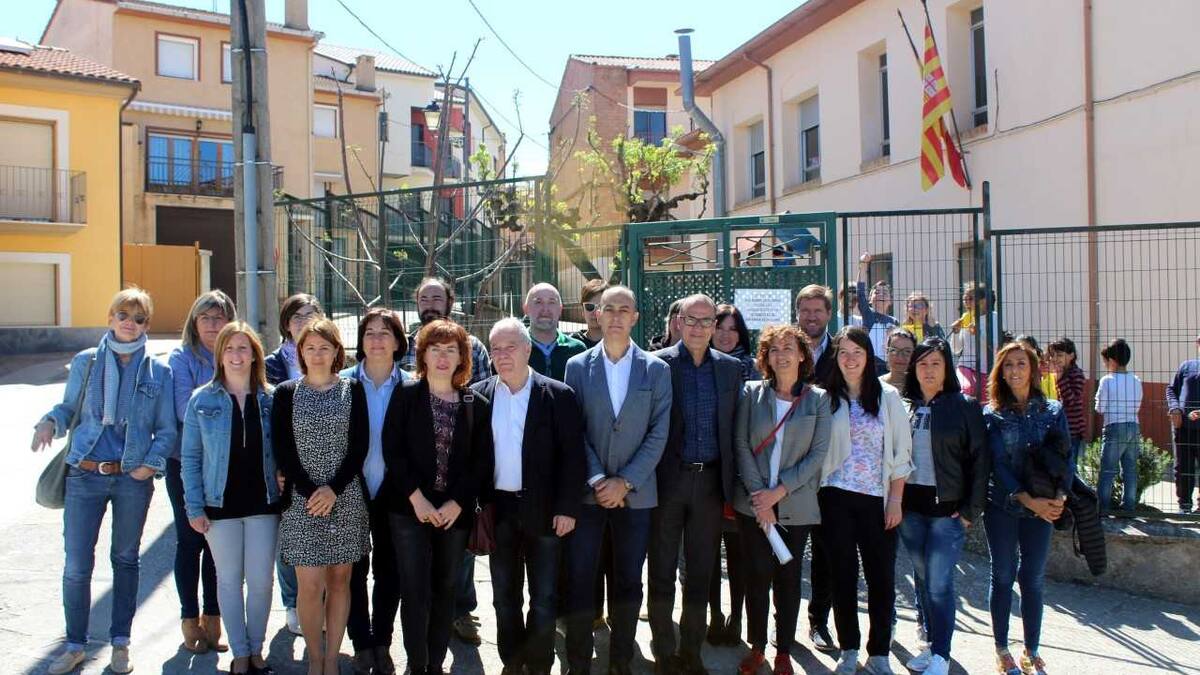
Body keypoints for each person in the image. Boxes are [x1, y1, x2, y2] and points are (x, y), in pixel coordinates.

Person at [32, 288, 176, 675]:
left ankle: (120, 643)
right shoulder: (87, 362)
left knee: (125, 560)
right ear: (110, 317)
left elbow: (166, 430)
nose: (130, 323)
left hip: (131, 478)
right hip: (85, 473)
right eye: (123, 314)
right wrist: (49, 422)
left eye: (139, 318)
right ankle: (74, 645)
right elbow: (68, 407)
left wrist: (149, 465)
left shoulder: (158, 372)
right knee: (77, 564)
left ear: (147, 325)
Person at [563, 285, 672, 675]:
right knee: (580, 579)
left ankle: (621, 660)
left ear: (635, 318)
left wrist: (624, 481)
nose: (615, 316)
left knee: (628, 582)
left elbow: (659, 432)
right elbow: (575, 429)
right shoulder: (577, 366)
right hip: (588, 495)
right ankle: (578, 661)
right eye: (608, 309)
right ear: (597, 314)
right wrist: (598, 479)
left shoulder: (656, 369)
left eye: (624, 310)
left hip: (636, 497)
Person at [382, 320, 493, 675]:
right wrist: (417, 500)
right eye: (435, 349)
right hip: (409, 509)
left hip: (454, 513)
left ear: (462, 357)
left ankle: (435, 663)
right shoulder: (406, 395)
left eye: (451, 350)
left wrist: (456, 503)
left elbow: (481, 462)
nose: (443, 357)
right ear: (423, 355)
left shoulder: (476, 403)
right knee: (414, 590)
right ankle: (417, 664)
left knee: (446, 588)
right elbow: (393, 450)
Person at [474, 318, 585, 675]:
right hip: (499, 511)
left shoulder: (558, 395)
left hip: (546, 509)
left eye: (510, 347)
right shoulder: (478, 395)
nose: (503, 355)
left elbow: (573, 458)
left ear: (527, 349)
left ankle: (539, 664)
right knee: (504, 597)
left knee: (544, 597)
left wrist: (568, 508)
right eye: (496, 349)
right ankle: (512, 660)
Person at [648, 294, 743, 674]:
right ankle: (664, 653)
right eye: (692, 319)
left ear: (715, 326)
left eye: (707, 321)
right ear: (679, 322)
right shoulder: (658, 364)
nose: (700, 327)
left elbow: (736, 428)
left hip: (710, 484)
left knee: (701, 574)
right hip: (668, 482)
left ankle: (691, 652)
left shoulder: (730, 369)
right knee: (661, 571)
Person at [180, 321, 279, 675]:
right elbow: (190, 457)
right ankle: (239, 652)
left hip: (263, 505)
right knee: (228, 580)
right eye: (229, 348)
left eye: (243, 348)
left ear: (254, 355)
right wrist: (194, 507)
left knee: (262, 581)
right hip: (219, 506)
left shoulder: (271, 399)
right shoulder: (201, 400)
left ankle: (256, 648)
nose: (236, 356)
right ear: (220, 356)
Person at [273, 319, 371, 675]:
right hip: (303, 503)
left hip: (345, 499)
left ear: (336, 352)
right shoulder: (286, 393)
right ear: (300, 351)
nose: (317, 354)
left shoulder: (352, 389)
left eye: (324, 348)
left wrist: (333, 489)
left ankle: (332, 660)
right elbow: (283, 449)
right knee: (310, 585)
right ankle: (315, 660)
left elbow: (359, 446)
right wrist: (312, 491)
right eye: (310, 347)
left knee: (340, 582)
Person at [732, 324, 830, 675]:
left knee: (788, 579)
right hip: (753, 504)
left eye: (789, 348)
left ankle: (784, 650)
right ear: (766, 357)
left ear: (802, 355)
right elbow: (741, 444)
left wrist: (779, 492)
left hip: (794, 505)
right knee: (756, 576)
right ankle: (757, 646)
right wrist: (761, 496)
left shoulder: (818, 400)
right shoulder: (751, 393)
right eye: (774, 349)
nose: (782, 355)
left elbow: (817, 455)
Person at [818, 326, 912, 675]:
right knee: (842, 576)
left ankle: (879, 654)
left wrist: (896, 500)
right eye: (843, 352)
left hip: (877, 499)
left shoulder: (888, 397)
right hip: (834, 498)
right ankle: (849, 649)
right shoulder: (824, 397)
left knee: (881, 579)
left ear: (868, 356)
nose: (850, 359)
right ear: (836, 357)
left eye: (857, 352)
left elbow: (902, 453)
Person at [898, 338, 989, 675]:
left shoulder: (964, 406)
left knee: (939, 583)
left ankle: (941, 655)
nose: (929, 370)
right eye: (922, 363)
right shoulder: (904, 405)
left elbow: (981, 461)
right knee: (923, 580)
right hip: (910, 510)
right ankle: (931, 644)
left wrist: (969, 511)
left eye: (936, 363)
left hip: (947, 513)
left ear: (947, 367)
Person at [983, 340, 1072, 675]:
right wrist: (1027, 499)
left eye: (1021, 363)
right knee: (1003, 575)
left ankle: (1031, 650)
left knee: (1032, 578)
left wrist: (1060, 496)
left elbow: (1066, 456)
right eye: (1008, 365)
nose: (1015, 370)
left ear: (1033, 369)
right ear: (1000, 372)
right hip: (1003, 506)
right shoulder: (991, 414)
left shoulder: (1053, 410)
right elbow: (997, 464)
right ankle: (1002, 649)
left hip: (1043, 508)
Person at [166, 290, 236, 654]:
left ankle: (213, 616)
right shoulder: (181, 358)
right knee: (190, 540)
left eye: (218, 317)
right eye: (205, 317)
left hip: (226, 465)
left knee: (217, 546)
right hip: (185, 463)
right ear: (194, 323)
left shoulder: (235, 352)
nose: (211, 324)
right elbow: (183, 410)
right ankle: (189, 617)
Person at [340, 309, 409, 675]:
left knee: (389, 569)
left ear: (398, 341)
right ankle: (361, 643)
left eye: (385, 332)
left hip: (395, 492)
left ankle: (382, 641)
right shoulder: (342, 384)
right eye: (369, 332)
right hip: (352, 489)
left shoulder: (412, 386)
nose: (377, 340)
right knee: (353, 570)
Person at [264, 293, 323, 634]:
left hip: (325, 463)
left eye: (310, 314)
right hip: (287, 465)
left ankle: (319, 601)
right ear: (286, 323)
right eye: (296, 316)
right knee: (289, 538)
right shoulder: (271, 364)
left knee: (323, 535)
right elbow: (271, 420)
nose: (303, 321)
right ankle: (293, 602)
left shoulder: (330, 356)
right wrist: (280, 466)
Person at [793, 283, 836, 651]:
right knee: (786, 553)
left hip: (829, 468)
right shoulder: (785, 348)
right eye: (805, 310)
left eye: (817, 310)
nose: (811, 317)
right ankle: (782, 624)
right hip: (789, 466)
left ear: (828, 314)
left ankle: (819, 622)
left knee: (826, 552)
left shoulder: (843, 352)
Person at [1094, 338, 1143, 515]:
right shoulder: (1136, 380)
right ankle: (1128, 508)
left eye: (1105, 361)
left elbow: (1100, 408)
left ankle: (1103, 508)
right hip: (1133, 425)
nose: (1105, 365)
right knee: (1130, 470)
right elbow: (1138, 404)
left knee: (1107, 470)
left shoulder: (1107, 380)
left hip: (1114, 425)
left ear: (1112, 361)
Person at [525, 283, 588, 380]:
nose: (545, 309)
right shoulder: (515, 349)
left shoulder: (577, 350)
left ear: (560, 309)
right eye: (538, 302)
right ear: (526, 309)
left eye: (551, 302)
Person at [1167, 333, 1200, 513]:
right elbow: (1171, 390)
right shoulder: (1187, 366)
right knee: (1182, 469)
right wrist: (1175, 409)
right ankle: (1184, 506)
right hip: (1184, 428)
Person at [949, 282, 998, 399]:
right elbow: (956, 350)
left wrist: (979, 334)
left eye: (970, 299)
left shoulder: (994, 318)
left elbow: (995, 345)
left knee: (985, 401)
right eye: (964, 299)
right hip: (965, 365)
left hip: (987, 369)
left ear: (983, 301)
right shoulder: (966, 318)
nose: (966, 303)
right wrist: (956, 333)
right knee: (966, 389)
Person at [856, 253, 899, 373]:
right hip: (871, 366)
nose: (880, 295)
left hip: (888, 367)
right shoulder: (868, 314)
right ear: (870, 299)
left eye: (885, 292)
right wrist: (863, 265)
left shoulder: (894, 321)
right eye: (876, 292)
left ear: (890, 301)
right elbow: (860, 292)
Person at [1047, 338, 1087, 467]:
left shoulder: (1076, 374)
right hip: (1060, 428)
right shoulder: (1060, 374)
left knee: (1070, 466)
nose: (1055, 359)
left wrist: (1060, 380)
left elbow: (1071, 401)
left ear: (1071, 356)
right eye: (1053, 355)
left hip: (1072, 430)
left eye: (1059, 355)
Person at [713, 303, 759, 380]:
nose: (725, 335)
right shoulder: (699, 364)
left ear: (740, 334)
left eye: (732, 329)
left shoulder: (755, 368)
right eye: (719, 328)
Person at [570, 278, 608, 348]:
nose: (595, 312)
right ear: (582, 310)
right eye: (589, 306)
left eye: (601, 307)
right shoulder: (572, 345)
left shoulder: (619, 343)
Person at [880, 328, 917, 392]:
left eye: (907, 351)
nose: (900, 357)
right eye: (894, 350)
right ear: (887, 352)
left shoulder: (921, 386)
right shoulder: (876, 386)